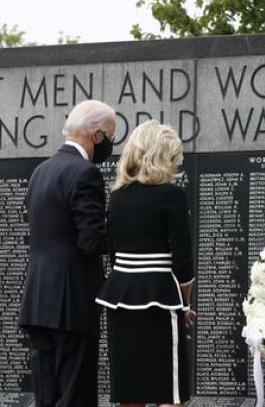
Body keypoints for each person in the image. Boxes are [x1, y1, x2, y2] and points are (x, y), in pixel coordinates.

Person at [18, 100, 116, 407]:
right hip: (71, 303)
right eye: (110, 137)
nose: (110, 145)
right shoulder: (85, 173)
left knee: (47, 399)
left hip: (37, 303)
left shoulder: (40, 172)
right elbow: (91, 240)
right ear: (96, 135)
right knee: (76, 397)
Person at [95, 120, 196, 407]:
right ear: (162, 155)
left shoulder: (116, 197)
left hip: (120, 298)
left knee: (130, 389)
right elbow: (183, 260)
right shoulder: (172, 195)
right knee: (169, 390)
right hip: (161, 301)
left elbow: (114, 254)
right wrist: (185, 305)